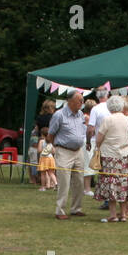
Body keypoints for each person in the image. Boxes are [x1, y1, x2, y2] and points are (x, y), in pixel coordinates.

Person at [93, 95, 128, 222]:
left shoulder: (108, 119)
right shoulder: (127, 119)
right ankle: (123, 214)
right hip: (124, 156)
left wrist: (99, 146)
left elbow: (99, 139)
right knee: (123, 184)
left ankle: (113, 214)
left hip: (109, 156)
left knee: (111, 184)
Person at [49, 90, 87, 219]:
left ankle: (76, 208)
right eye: (79, 101)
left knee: (79, 181)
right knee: (64, 181)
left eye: (82, 101)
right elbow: (51, 134)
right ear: (70, 101)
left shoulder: (81, 115)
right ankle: (60, 210)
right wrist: (56, 148)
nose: (82, 103)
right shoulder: (59, 115)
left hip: (78, 151)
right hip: (64, 150)